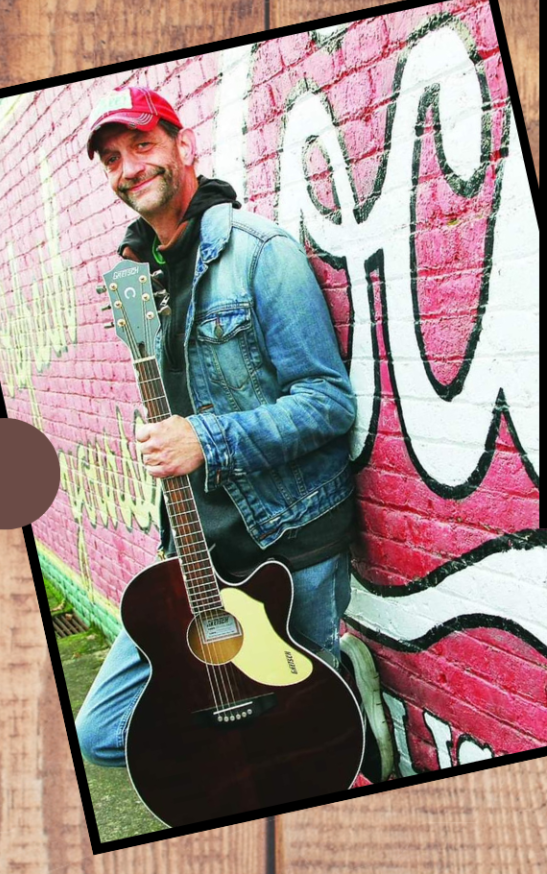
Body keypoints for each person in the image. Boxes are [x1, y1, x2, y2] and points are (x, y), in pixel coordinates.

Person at [72, 87, 358, 774]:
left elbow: (328, 402)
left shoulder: (262, 254)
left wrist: (208, 438)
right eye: (112, 158)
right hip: (197, 553)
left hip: (289, 546)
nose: (128, 168)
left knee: (305, 734)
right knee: (103, 730)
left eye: (142, 145)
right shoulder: (136, 276)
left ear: (182, 144)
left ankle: (343, 697)